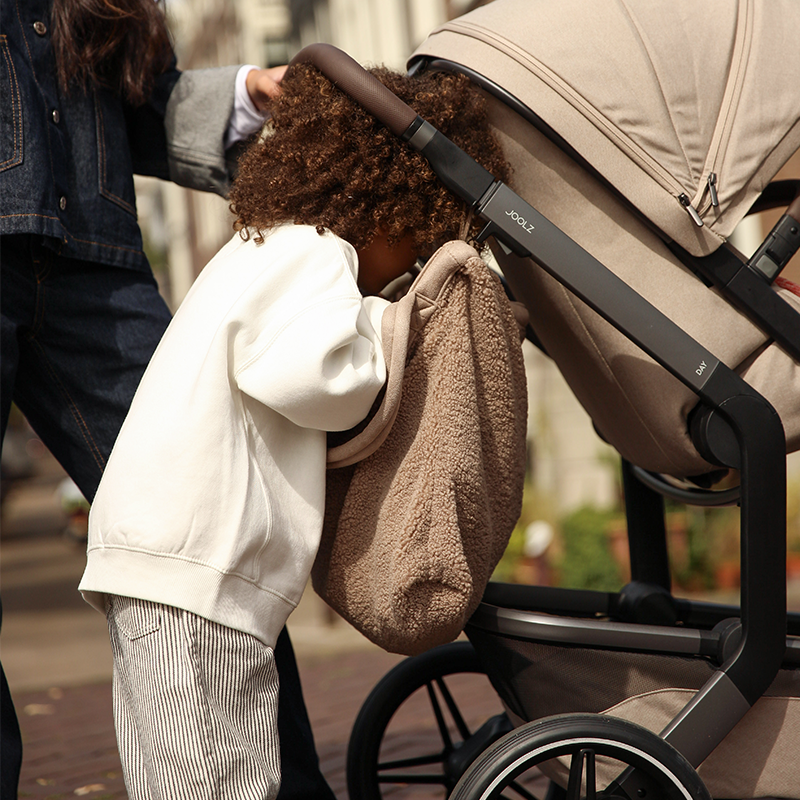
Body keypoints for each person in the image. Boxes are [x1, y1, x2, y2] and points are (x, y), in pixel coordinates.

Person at [76, 60, 511, 798]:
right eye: (414, 250)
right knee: (220, 779)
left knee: (178, 774)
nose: (398, 276)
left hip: (167, 561)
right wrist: (390, 327)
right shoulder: (318, 256)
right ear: (388, 212)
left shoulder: (264, 247)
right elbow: (310, 380)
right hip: (200, 568)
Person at [0, 2, 330, 799]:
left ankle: (283, 786)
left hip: (99, 274)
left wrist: (249, 90)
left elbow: (137, 109)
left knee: (213, 529)